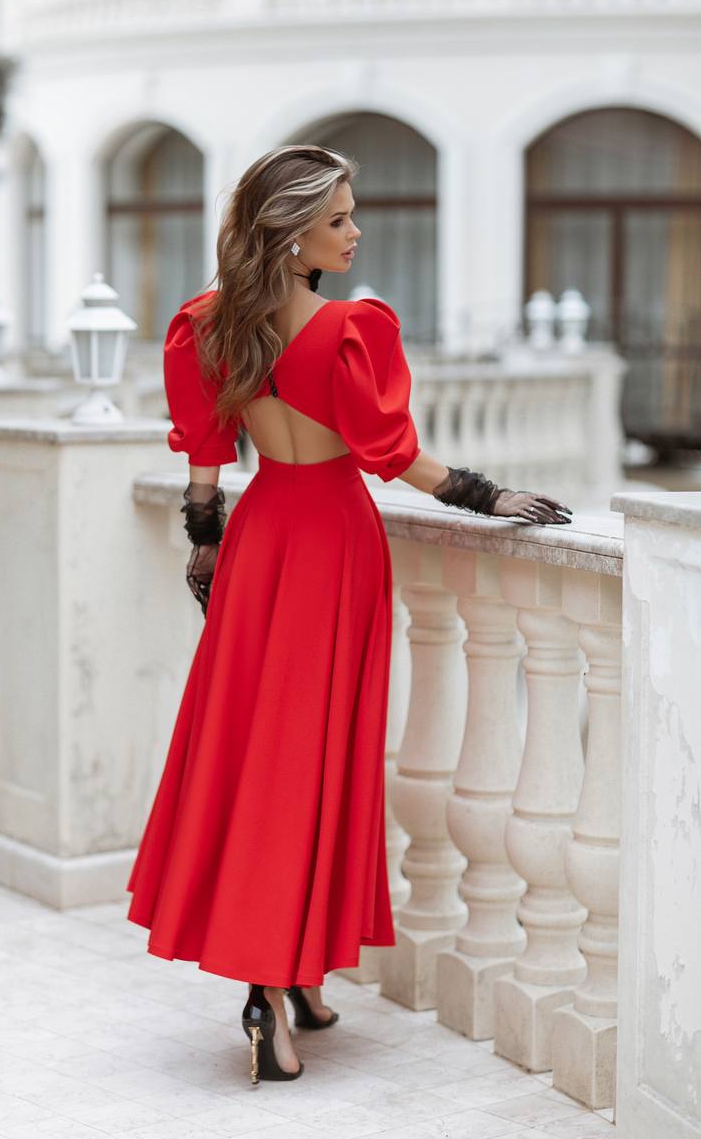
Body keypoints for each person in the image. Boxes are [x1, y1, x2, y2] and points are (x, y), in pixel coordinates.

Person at [126, 144, 572, 1087]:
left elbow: (204, 460)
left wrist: (205, 540)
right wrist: (488, 496)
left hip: (258, 546)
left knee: (254, 757)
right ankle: (270, 986)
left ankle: (290, 986)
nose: (355, 229)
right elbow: (390, 455)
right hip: (331, 544)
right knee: (316, 763)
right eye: (338, 218)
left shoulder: (204, 326)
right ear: (292, 240)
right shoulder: (351, 329)